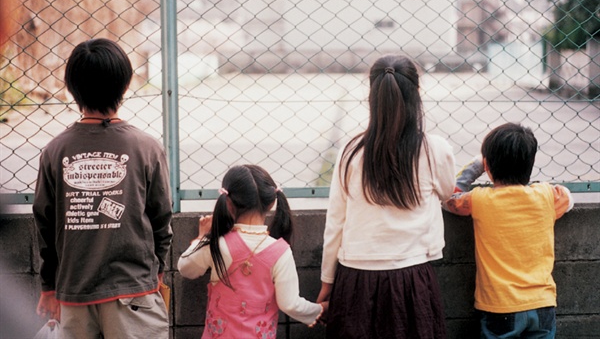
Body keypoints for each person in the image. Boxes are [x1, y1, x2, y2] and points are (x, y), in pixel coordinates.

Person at [33, 38, 173, 339]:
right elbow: (162, 217)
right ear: (124, 85)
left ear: (72, 89)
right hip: (134, 293)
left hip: (74, 293)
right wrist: (157, 268)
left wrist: (49, 286)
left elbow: (44, 222)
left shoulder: (55, 151)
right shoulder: (146, 147)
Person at [317, 54, 456, 338]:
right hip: (411, 277)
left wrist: (326, 283)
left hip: (354, 278)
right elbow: (447, 191)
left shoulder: (350, 152)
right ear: (416, 96)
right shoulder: (434, 149)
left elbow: (336, 223)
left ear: (372, 97)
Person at [444, 122, 573, 338]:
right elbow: (568, 198)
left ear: (488, 167)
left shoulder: (479, 200)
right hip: (543, 303)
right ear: (530, 163)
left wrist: (476, 166)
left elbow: (449, 197)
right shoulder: (546, 195)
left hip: (499, 306)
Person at [178, 164, 325, 338]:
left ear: (228, 203)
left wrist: (202, 237)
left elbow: (185, 268)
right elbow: (290, 304)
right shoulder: (280, 251)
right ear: (271, 203)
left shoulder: (218, 244)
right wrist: (320, 309)